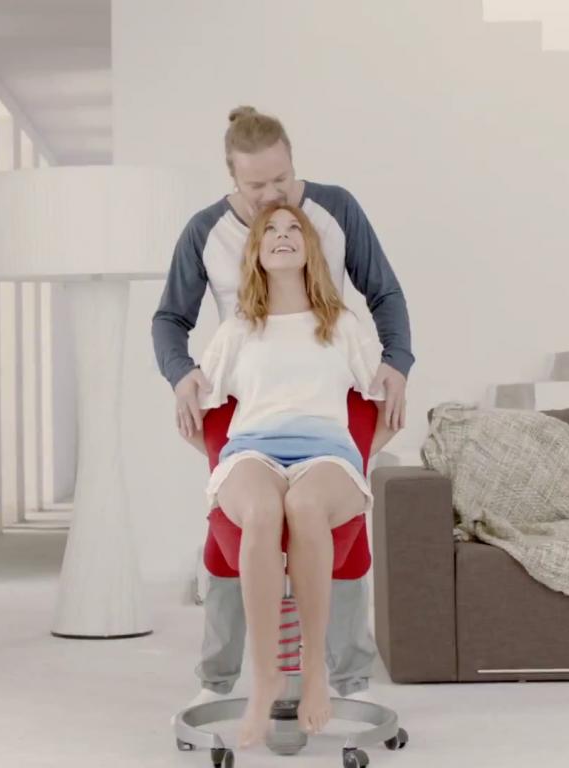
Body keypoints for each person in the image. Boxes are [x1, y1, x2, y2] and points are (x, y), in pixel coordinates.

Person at [152, 106, 415, 739]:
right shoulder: (206, 234)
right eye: (257, 187)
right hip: (246, 396)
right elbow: (170, 320)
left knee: (326, 516)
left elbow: (383, 293)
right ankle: (227, 674)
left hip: (326, 393)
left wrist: (397, 366)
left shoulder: (334, 212)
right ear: (232, 178)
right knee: (238, 522)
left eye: (283, 180)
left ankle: (344, 672)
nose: (274, 198)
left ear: (294, 162)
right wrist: (182, 377)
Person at [190, 201, 397, 747]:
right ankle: (265, 679)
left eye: (294, 229)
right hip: (252, 452)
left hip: (326, 454)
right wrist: (213, 453)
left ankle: (313, 672)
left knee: (304, 506)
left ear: (310, 249)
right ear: (256, 251)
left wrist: (360, 456)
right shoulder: (238, 329)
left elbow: (385, 404)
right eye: (270, 230)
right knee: (262, 509)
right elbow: (199, 410)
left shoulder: (341, 325)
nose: (283, 235)